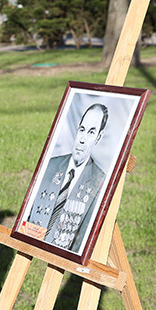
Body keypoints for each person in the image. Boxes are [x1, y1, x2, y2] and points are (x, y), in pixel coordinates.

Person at [21, 103, 109, 253]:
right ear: (77, 130)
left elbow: (81, 241)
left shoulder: (100, 181)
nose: (82, 139)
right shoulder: (50, 165)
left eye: (91, 132)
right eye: (82, 129)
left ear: (98, 138)